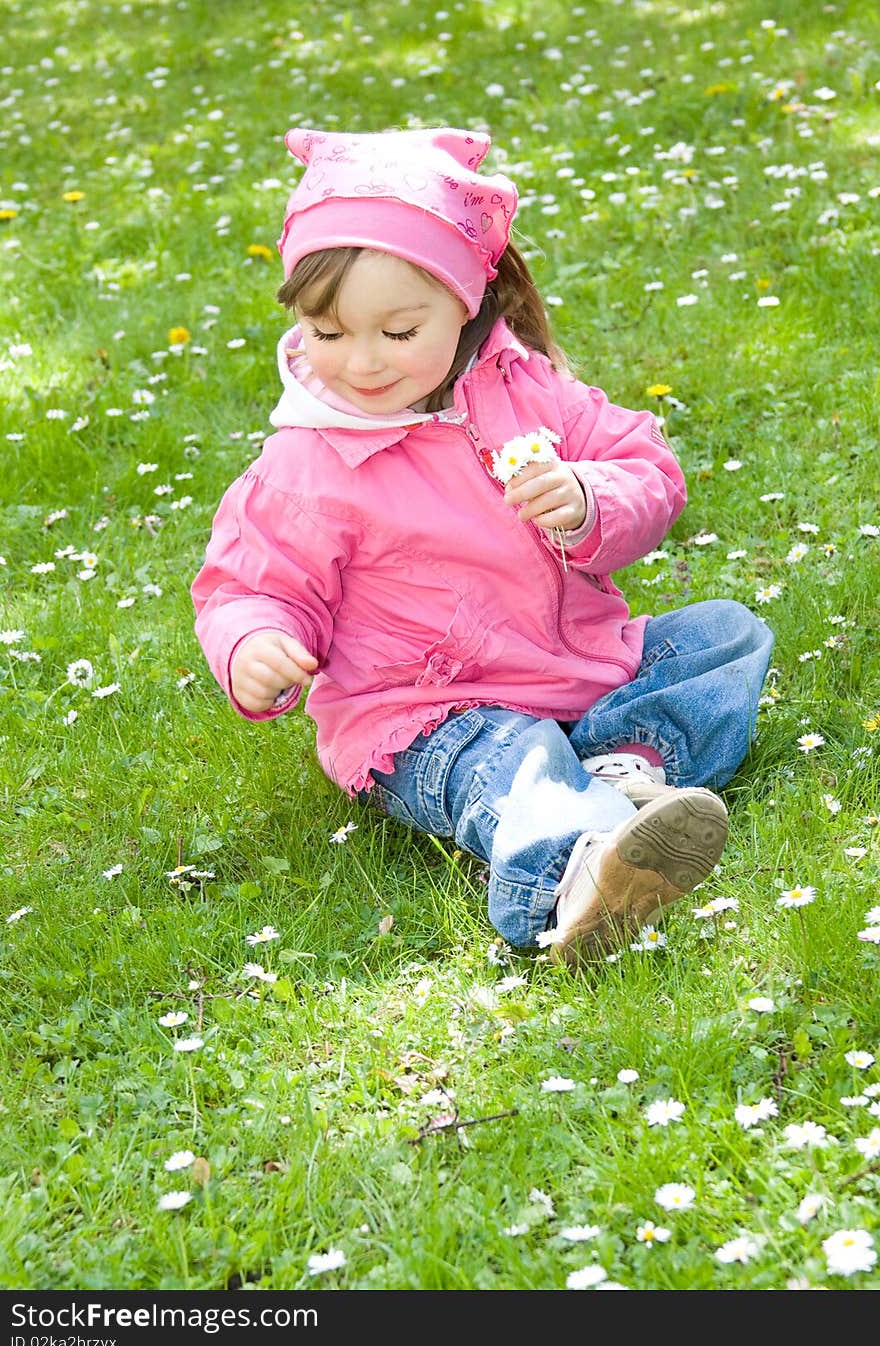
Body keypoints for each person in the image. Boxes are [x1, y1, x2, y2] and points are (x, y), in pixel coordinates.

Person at [191, 126, 773, 967]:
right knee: (512, 760)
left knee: (726, 633)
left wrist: (586, 502)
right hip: (430, 715)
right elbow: (251, 582)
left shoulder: (525, 389)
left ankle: (619, 768)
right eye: (327, 332)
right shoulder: (307, 462)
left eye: (396, 333)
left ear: (466, 302)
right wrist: (254, 641)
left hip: (577, 668)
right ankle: (574, 873)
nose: (358, 362)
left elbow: (646, 468)